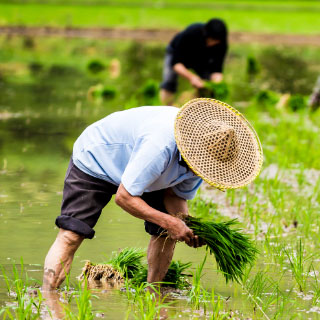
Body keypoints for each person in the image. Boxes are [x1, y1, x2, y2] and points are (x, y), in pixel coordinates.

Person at [41, 99, 263, 315]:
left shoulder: (202, 162)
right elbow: (125, 197)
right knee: (72, 234)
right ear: (192, 148)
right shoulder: (160, 145)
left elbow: (175, 198)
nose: (203, 170)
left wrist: (186, 227)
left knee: (166, 232)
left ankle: (154, 297)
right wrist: (170, 222)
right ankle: (48, 301)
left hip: (146, 172)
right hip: (97, 158)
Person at [160, 19, 229, 105]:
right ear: (206, 35)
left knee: (205, 87)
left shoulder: (221, 43)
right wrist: (192, 77)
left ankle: (194, 109)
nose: (212, 44)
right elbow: (176, 64)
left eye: (216, 42)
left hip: (201, 58)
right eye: (211, 40)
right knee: (169, 82)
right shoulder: (191, 33)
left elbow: (217, 69)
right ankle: (167, 108)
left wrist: (215, 84)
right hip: (178, 54)